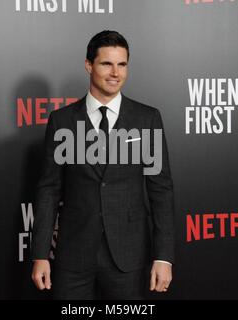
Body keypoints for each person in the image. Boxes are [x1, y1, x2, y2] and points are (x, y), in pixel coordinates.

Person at [31, 30, 175, 299]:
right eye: (106, 63)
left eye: (122, 64)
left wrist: (164, 257)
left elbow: (161, 191)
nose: (115, 73)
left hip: (129, 257)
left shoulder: (147, 119)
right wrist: (40, 254)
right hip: (73, 256)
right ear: (89, 65)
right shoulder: (61, 121)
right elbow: (49, 190)